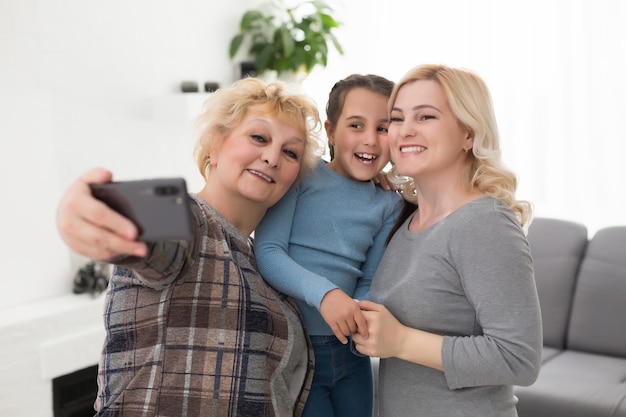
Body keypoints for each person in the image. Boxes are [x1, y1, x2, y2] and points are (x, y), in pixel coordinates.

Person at [55, 77, 325, 417]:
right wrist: (96, 212)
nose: (272, 157)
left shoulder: (265, 263)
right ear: (215, 143)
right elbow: (157, 230)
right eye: (259, 137)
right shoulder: (192, 221)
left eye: (290, 152)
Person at [351, 64, 543, 417]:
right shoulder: (404, 219)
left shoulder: (484, 222)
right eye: (396, 118)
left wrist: (401, 341)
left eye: (426, 117)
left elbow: (520, 358)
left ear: (469, 134)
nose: (405, 130)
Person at [254, 74, 404, 417]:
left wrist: (361, 313)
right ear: (332, 131)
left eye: (383, 128)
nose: (370, 140)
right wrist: (327, 295)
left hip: (351, 354)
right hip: (297, 350)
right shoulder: (300, 176)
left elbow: (368, 278)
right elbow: (268, 253)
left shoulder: (389, 202)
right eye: (356, 125)